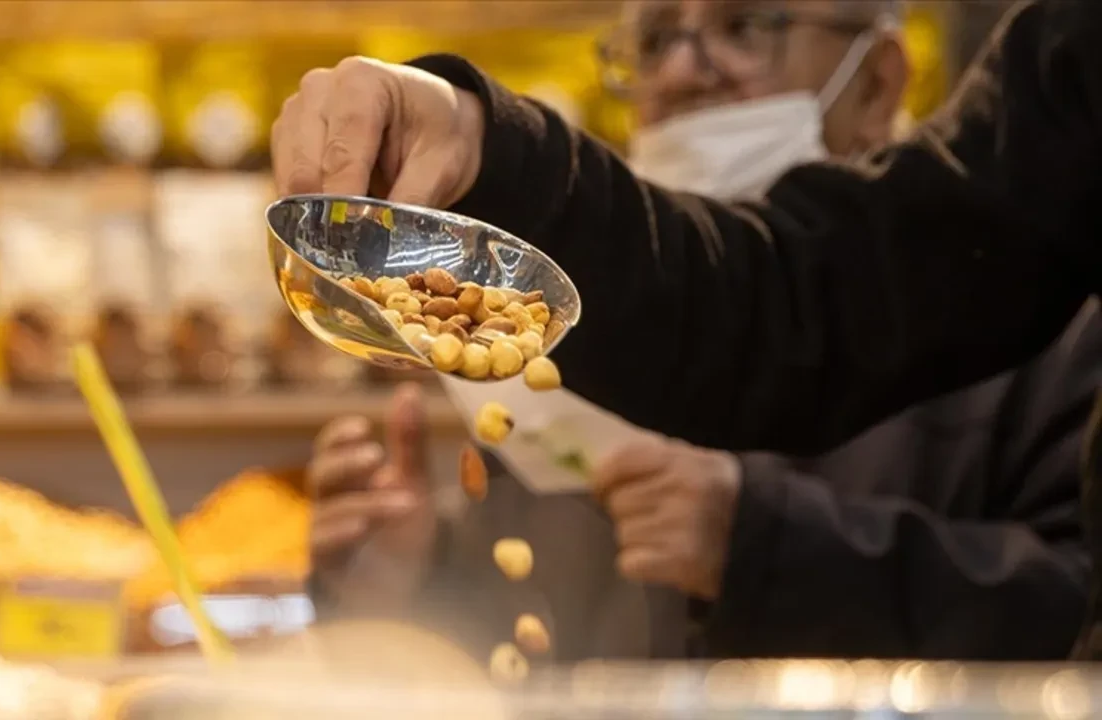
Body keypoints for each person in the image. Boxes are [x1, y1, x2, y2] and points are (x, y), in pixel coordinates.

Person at [275, 0, 1102, 660]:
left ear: (880, 84)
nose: (682, 73)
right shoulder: (578, 316)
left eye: (748, 27)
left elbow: (1065, 610)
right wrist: (418, 587)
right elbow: (543, 644)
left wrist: (768, 552)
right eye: (657, 37)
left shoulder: (1038, 326)